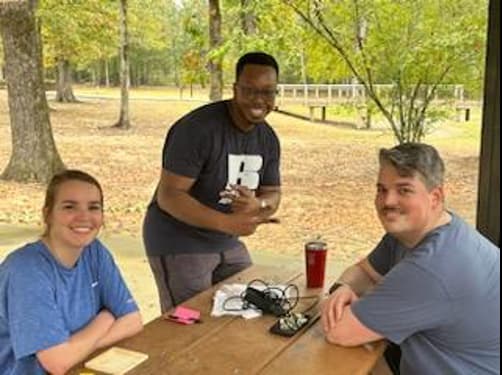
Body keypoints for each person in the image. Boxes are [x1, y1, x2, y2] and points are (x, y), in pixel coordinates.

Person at [321, 143, 500, 374]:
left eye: (404, 190)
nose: (388, 201)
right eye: (381, 189)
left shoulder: (433, 266)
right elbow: (363, 271)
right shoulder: (414, 233)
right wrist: (342, 288)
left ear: (435, 197)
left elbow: (340, 332)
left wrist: (357, 308)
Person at [143, 52, 281, 313]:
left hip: (226, 241)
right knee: (189, 324)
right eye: (250, 90)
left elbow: (273, 193)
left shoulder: (268, 138)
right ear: (235, 89)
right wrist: (228, 223)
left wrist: (258, 204)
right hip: (180, 241)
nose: (259, 100)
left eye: (267, 92)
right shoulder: (197, 129)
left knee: (249, 308)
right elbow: (170, 195)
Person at [0, 170, 143, 375]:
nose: (84, 217)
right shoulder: (25, 270)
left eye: (93, 207)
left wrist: (76, 348)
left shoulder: (94, 252)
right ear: (47, 214)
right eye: (69, 207)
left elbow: (132, 321)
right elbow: (57, 362)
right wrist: (106, 318)